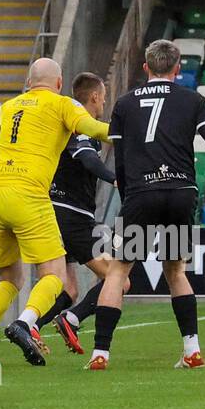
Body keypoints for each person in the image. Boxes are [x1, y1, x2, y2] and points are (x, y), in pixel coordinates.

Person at [87, 39, 205, 370]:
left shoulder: (124, 104)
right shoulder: (192, 100)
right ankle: (192, 350)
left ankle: (101, 353)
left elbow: (121, 158)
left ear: (145, 68)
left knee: (119, 270)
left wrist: (129, 197)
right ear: (177, 68)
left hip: (141, 193)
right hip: (180, 192)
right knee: (175, 270)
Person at [0, 57, 111, 366]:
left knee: (10, 278)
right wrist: (134, 132)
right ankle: (25, 324)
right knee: (54, 275)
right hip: (28, 194)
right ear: (58, 83)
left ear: (29, 83)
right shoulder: (63, 104)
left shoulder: (10, 106)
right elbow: (95, 129)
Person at [32, 72, 128, 354]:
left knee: (68, 288)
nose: (104, 102)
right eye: (103, 97)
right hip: (71, 217)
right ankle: (71, 319)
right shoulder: (79, 126)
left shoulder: (64, 122)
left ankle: (29, 327)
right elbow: (86, 158)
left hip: (56, 212)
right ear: (95, 97)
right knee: (119, 278)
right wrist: (114, 178)